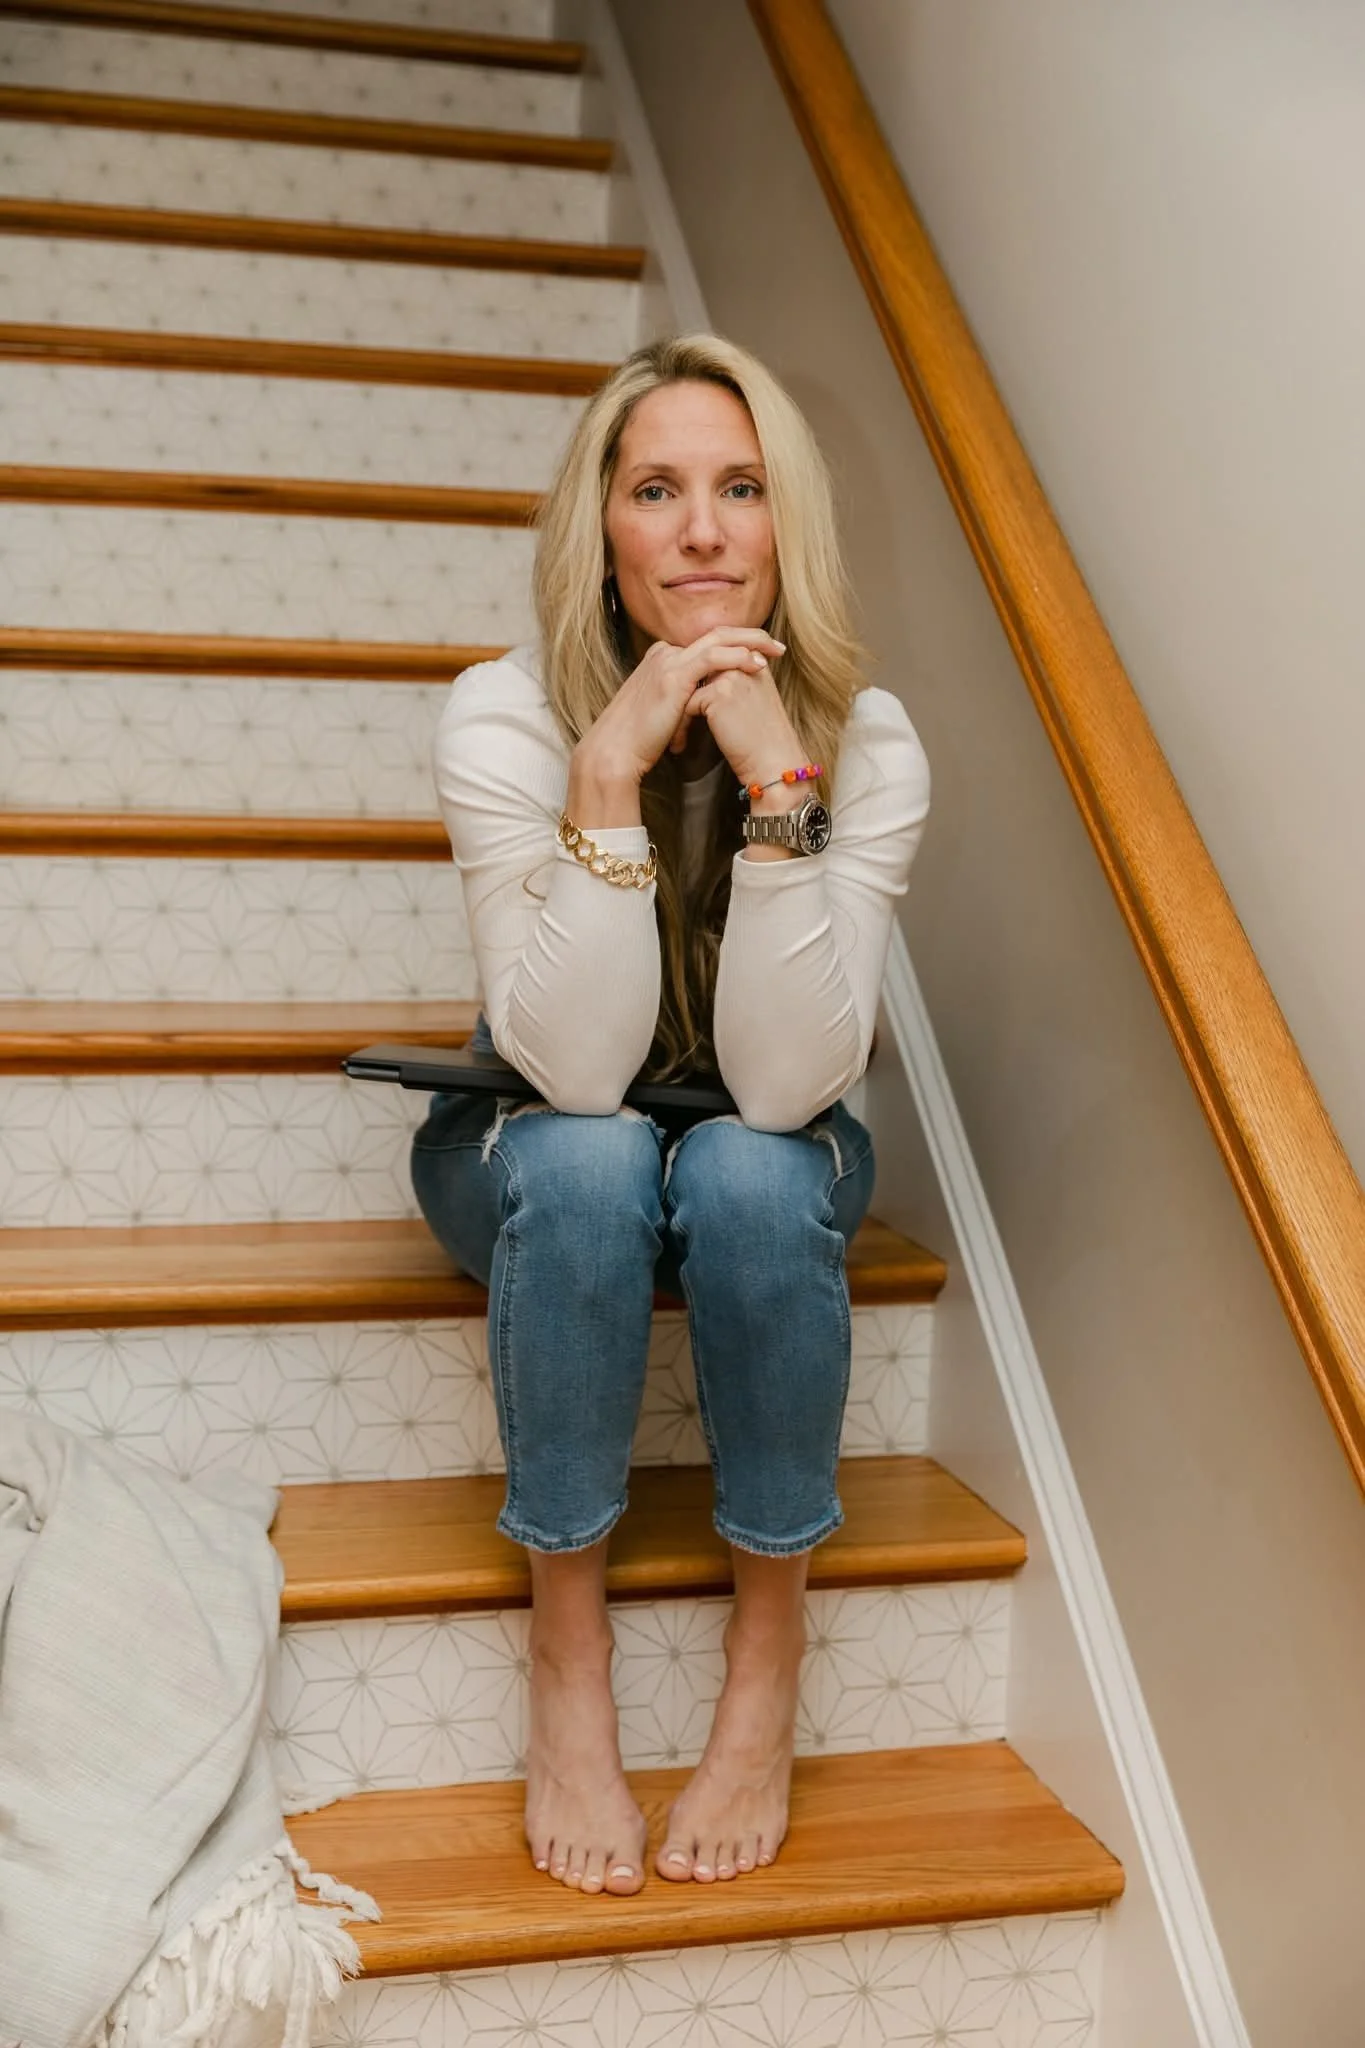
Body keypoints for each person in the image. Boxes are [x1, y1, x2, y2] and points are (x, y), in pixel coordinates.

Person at [411, 333, 930, 1900]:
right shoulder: (504, 716)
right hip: (537, 1132)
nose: (703, 530)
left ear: (786, 527)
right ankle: (567, 1658)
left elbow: (784, 1085)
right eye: (657, 490)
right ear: (606, 533)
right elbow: (567, 1069)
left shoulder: (871, 736)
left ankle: (766, 1658)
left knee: (755, 1171)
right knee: (590, 1153)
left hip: (761, 1136)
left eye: (741, 487)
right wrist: (607, 782)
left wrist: (783, 794)